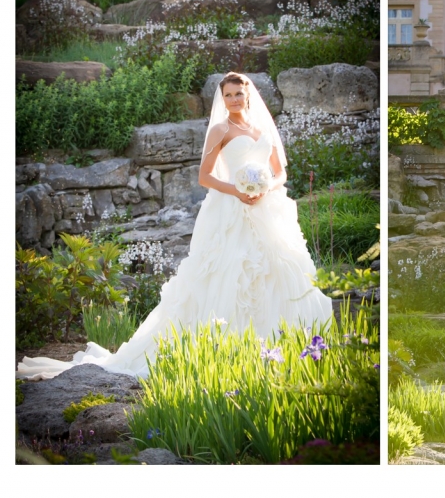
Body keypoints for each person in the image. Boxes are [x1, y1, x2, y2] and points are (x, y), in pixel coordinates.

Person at [17, 73, 332, 378]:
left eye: (238, 93)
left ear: (248, 94)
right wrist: (237, 190)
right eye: (228, 95)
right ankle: (226, 350)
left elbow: (280, 173)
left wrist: (266, 187)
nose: (234, 99)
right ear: (222, 99)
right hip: (231, 210)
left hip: (266, 208)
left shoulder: (262, 128)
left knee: (274, 271)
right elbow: (205, 176)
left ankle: (279, 348)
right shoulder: (220, 129)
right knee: (231, 274)